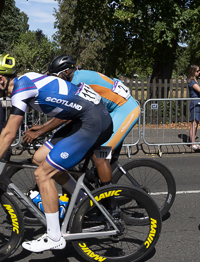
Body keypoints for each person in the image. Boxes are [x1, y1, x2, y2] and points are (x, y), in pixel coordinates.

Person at [0, 54, 112, 253]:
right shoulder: (26, 81)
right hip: (83, 117)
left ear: (0, 80)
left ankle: (54, 237)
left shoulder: (21, 89)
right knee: (39, 158)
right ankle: (82, 201)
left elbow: (9, 133)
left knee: (43, 173)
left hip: (91, 121)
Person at [33, 55, 141, 186]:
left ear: (66, 72)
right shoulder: (77, 76)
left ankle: (109, 202)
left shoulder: (77, 82)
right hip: (108, 111)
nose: (56, 79)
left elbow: (66, 116)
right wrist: (43, 126)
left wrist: (41, 131)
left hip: (125, 110)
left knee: (99, 155)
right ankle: (94, 179)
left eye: (57, 75)